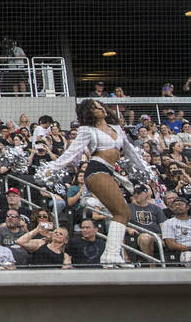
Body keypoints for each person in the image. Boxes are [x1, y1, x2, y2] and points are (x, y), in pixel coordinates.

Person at [41, 99, 154, 265]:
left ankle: (110, 255)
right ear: (89, 112)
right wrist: (52, 167)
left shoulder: (116, 128)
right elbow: (73, 152)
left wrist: (145, 169)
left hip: (109, 171)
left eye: (100, 105)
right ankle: (111, 256)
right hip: (96, 170)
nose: (100, 108)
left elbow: (130, 151)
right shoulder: (87, 130)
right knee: (122, 212)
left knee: (124, 213)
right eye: (95, 107)